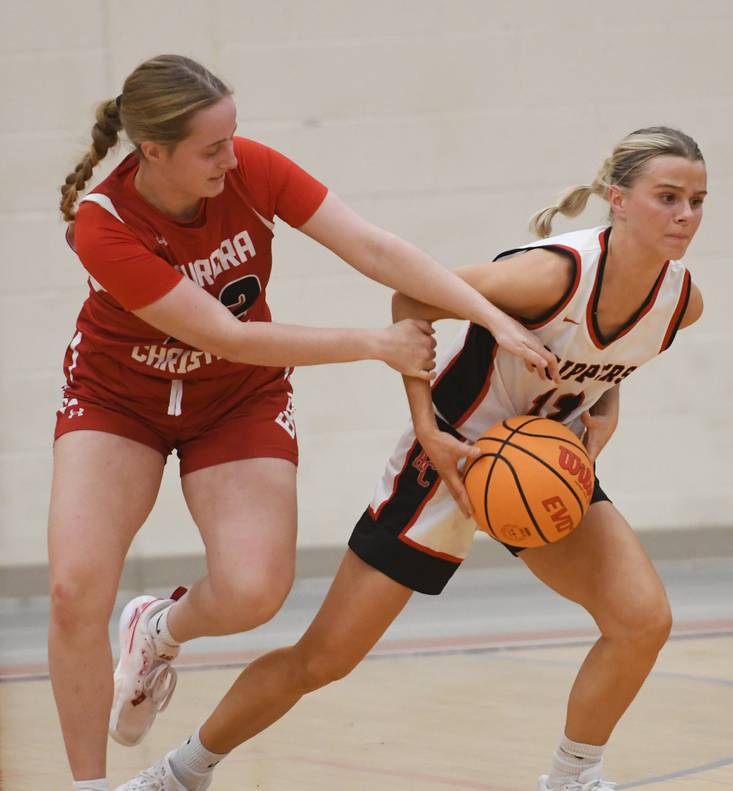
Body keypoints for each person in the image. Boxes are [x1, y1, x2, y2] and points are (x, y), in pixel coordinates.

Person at [115, 125, 706, 791]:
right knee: (323, 658)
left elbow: (609, 368)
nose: (685, 215)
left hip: (540, 470)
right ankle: (180, 772)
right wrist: (426, 426)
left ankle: (572, 777)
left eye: (696, 200)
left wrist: (603, 417)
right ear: (617, 199)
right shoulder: (553, 274)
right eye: (668, 196)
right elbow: (411, 298)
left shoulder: (681, 303)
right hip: (446, 462)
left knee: (642, 620)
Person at [49, 54, 558, 791]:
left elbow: (375, 249)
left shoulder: (249, 170)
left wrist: (490, 317)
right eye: (211, 147)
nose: (232, 156)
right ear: (152, 151)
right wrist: (374, 345)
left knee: (256, 591)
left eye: (233, 138)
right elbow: (226, 334)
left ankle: (156, 630)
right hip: (117, 399)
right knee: (73, 591)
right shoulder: (105, 226)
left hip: (237, 400)